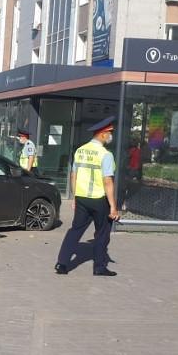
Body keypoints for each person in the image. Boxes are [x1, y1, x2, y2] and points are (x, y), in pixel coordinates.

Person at [55, 116, 120, 277]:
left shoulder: (81, 150)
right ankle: (99, 267)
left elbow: (73, 175)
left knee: (75, 230)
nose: (111, 135)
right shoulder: (105, 154)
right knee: (102, 233)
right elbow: (107, 181)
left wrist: (75, 197)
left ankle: (62, 263)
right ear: (103, 134)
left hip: (82, 198)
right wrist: (113, 206)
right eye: (110, 132)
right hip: (99, 199)